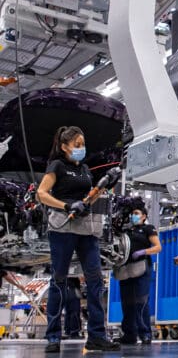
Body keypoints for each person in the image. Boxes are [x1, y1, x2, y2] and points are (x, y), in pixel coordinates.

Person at [37, 126, 120, 353]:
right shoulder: (57, 166)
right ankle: (53, 337)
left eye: (83, 144)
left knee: (94, 281)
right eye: (77, 145)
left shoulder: (84, 168)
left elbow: (88, 199)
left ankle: (96, 336)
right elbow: (41, 193)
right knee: (59, 280)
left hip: (86, 228)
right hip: (62, 227)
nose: (81, 148)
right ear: (64, 147)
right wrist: (66, 205)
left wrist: (105, 186)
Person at [118, 206, 161, 345]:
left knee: (140, 302)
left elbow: (158, 247)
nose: (133, 216)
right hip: (125, 268)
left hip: (142, 267)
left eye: (136, 213)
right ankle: (129, 334)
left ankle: (145, 333)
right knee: (127, 303)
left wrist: (143, 252)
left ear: (144, 216)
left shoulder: (148, 228)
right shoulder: (126, 230)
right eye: (132, 213)